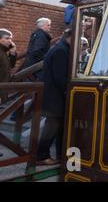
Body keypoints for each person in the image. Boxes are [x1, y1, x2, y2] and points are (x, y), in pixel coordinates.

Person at [36, 28, 71, 166]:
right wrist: (68, 90)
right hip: (54, 96)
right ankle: (41, 156)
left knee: (57, 126)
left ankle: (59, 155)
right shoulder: (61, 50)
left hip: (54, 95)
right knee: (52, 127)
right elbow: (60, 77)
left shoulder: (59, 47)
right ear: (70, 37)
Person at [0, 29, 17, 102]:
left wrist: (12, 53)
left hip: (4, 88)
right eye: (7, 38)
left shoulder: (4, 51)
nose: (10, 41)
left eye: (10, 39)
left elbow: (11, 66)